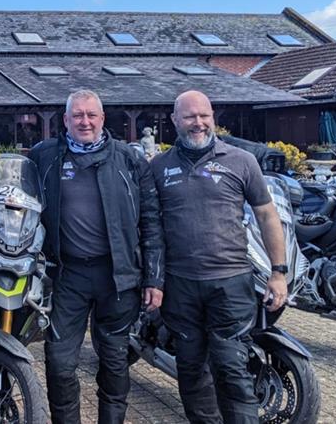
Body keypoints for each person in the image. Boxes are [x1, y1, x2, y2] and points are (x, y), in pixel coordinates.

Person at [150, 90, 288, 423]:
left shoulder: (242, 161)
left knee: (231, 370)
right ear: (174, 121)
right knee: (192, 372)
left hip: (230, 284)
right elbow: (149, 226)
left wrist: (278, 272)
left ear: (213, 117)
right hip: (180, 287)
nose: (198, 123)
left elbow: (267, 216)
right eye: (189, 117)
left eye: (204, 116)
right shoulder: (158, 166)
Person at [30, 89, 165, 424]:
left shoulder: (129, 159)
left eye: (91, 115)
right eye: (77, 115)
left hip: (117, 276)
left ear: (103, 119)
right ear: (65, 120)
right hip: (66, 276)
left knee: (115, 361)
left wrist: (154, 278)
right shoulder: (43, 157)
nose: (85, 121)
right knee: (59, 362)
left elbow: (151, 221)